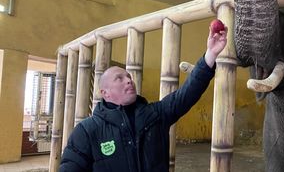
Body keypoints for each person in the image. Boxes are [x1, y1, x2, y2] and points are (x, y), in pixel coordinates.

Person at [60, 24, 227, 172]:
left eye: (129, 77)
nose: (128, 80)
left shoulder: (155, 115)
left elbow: (186, 94)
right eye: (120, 78)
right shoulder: (87, 131)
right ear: (105, 93)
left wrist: (211, 54)